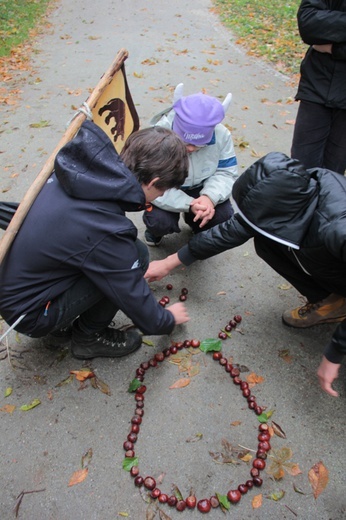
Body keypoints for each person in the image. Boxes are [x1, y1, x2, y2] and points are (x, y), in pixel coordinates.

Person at [145, 152, 346, 397]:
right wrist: (171, 261)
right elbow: (236, 229)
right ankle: (332, 302)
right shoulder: (296, 193)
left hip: (332, 246)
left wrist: (334, 353)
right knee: (265, 241)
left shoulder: (338, 229)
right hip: (326, 252)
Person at [0, 121, 190, 360]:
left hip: (15, 288)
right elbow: (135, 299)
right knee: (137, 256)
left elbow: (30, 216)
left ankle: (61, 324)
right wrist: (167, 319)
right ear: (153, 182)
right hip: (30, 313)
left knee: (117, 257)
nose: (158, 198)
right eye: (161, 192)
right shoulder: (106, 230)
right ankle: (88, 338)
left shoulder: (75, 170)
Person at [143, 84, 238, 246]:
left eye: (200, 145)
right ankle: (156, 230)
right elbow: (150, 185)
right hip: (165, 188)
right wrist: (189, 204)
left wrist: (209, 198)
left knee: (223, 215)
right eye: (185, 142)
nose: (191, 149)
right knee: (159, 221)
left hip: (201, 186)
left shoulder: (222, 135)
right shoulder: (158, 136)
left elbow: (226, 172)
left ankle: (197, 224)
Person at [291, 0, 346, 175]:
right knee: (300, 172)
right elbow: (308, 23)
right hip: (316, 86)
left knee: (334, 178)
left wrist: (335, 48)